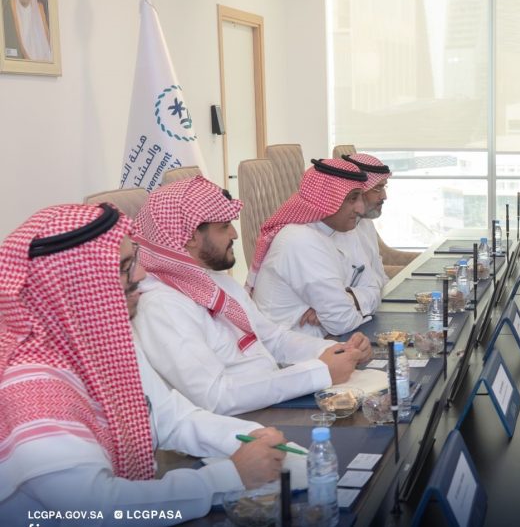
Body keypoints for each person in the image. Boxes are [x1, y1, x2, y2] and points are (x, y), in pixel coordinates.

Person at [0, 203, 285, 524]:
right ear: (77, 285)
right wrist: (230, 476)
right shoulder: (31, 389)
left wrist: (251, 436)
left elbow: (171, 418)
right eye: (125, 266)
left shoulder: (99, 339)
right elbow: (97, 511)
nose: (141, 274)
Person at [131, 177, 372, 416]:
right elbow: (215, 396)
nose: (235, 234)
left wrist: (340, 351)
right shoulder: (162, 306)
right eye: (224, 226)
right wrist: (319, 372)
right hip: (238, 424)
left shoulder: (217, 283)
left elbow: (273, 339)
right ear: (192, 236)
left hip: (270, 401)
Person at [250, 158, 383, 338]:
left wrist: (351, 298)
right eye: (353, 199)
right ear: (328, 199)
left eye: (360, 197)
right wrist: (349, 307)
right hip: (292, 350)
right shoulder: (301, 240)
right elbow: (342, 321)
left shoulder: (344, 230)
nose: (360, 208)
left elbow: (374, 288)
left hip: (326, 341)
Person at [341, 153, 393, 288]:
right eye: (378, 188)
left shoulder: (367, 224)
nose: (384, 196)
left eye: (384, 187)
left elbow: (379, 275)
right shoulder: (335, 230)